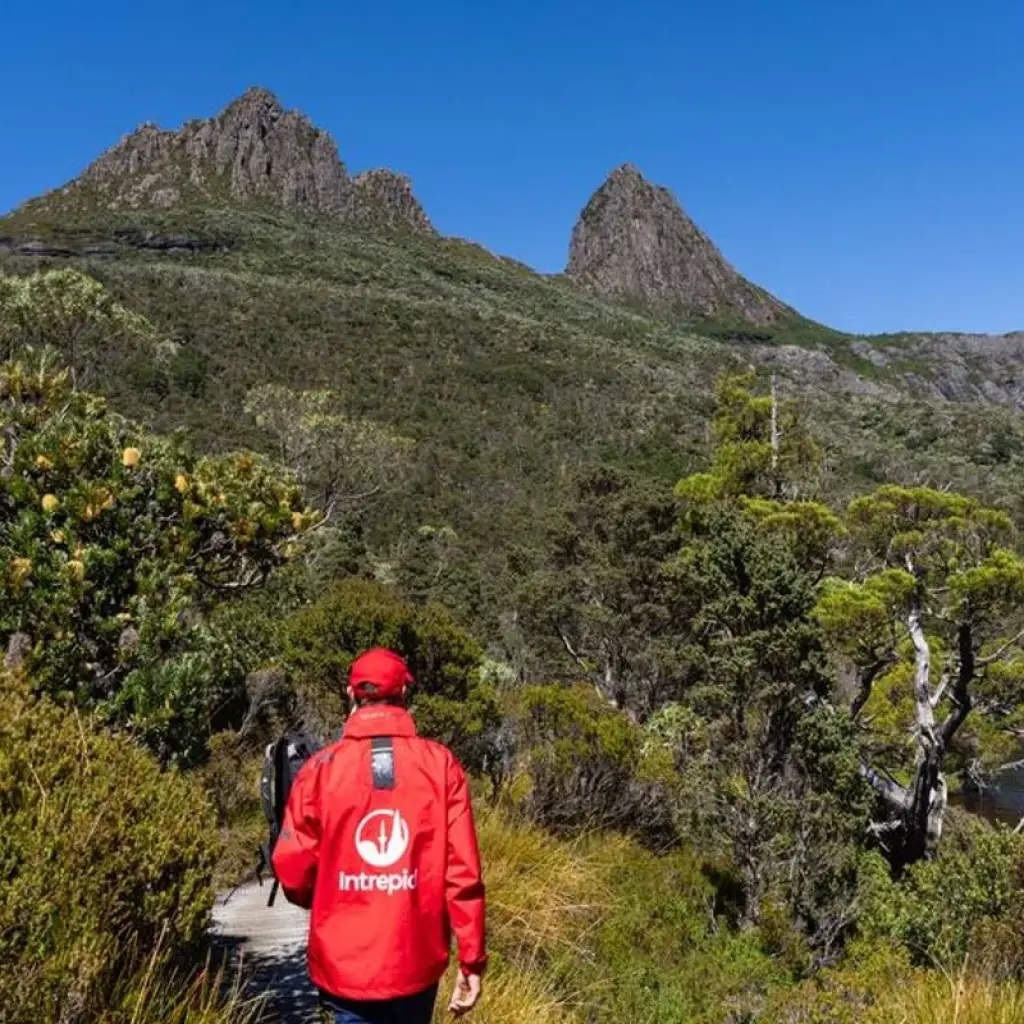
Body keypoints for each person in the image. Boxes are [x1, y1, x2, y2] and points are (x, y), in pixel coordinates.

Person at [272, 647, 487, 1023]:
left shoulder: (320, 769)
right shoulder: (441, 766)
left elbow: (292, 869)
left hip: (343, 966)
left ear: (351, 694)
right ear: (405, 694)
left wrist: (326, 898)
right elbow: (463, 876)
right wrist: (471, 961)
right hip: (415, 962)